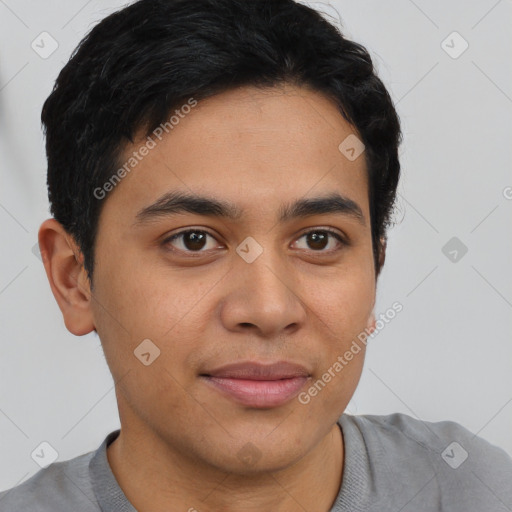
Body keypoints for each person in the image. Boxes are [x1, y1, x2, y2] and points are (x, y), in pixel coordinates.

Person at [1, 0, 511, 510]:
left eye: (318, 240)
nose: (269, 310)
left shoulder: (476, 489)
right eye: (193, 240)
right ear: (74, 278)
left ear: (375, 265)